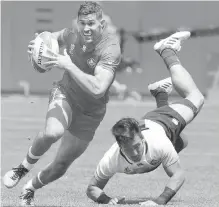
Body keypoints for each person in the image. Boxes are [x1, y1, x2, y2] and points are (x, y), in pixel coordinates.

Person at [3, 2, 121, 206]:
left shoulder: (111, 49)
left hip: (91, 112)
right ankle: (21, 168)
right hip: (66, 93)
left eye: (91, 23)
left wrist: (68, 64)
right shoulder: (72, 33)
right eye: (82, 23)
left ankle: (29, 189)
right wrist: (38, 45)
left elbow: (98, 89)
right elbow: (52, 36)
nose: (86, 28)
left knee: (61, 165)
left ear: (101, 24)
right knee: (52, 132)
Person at [86, 31, 205, 206]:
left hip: (162, 122)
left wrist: (159, 202)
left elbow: (178, 175)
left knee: (196, 98)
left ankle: (167, 50)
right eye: (128, 149)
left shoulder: (158, 143)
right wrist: (107, 201)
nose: (134, 153)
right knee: (181, 142)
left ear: (142, 137)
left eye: (136, 146)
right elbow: (91, 188)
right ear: (119, 146)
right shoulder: (111, 158)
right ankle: (160, 93)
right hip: (158, 134)